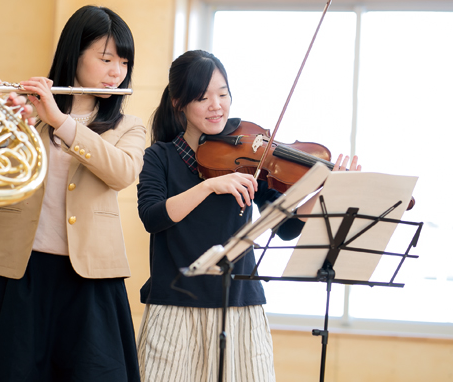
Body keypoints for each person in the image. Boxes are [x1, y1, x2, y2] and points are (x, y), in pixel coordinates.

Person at [136, 50, 361, 382]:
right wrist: (209, 186)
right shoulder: (160, 157)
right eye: (202, 97)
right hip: (174, 307)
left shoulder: (251, 156)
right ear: (178, 102)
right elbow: (153, 217)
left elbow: (285, 225)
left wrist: (329, 191)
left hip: (241, 306)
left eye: (223, 93)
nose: (217, 105)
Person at [0, 5, 146, 382]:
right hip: (20, 272)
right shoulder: (26, 112)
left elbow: (122, 173)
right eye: (106, 59)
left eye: (123, 62)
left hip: (90, 278)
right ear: (75, 55)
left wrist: (60, 121)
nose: (115, 72)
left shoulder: (128, 126)